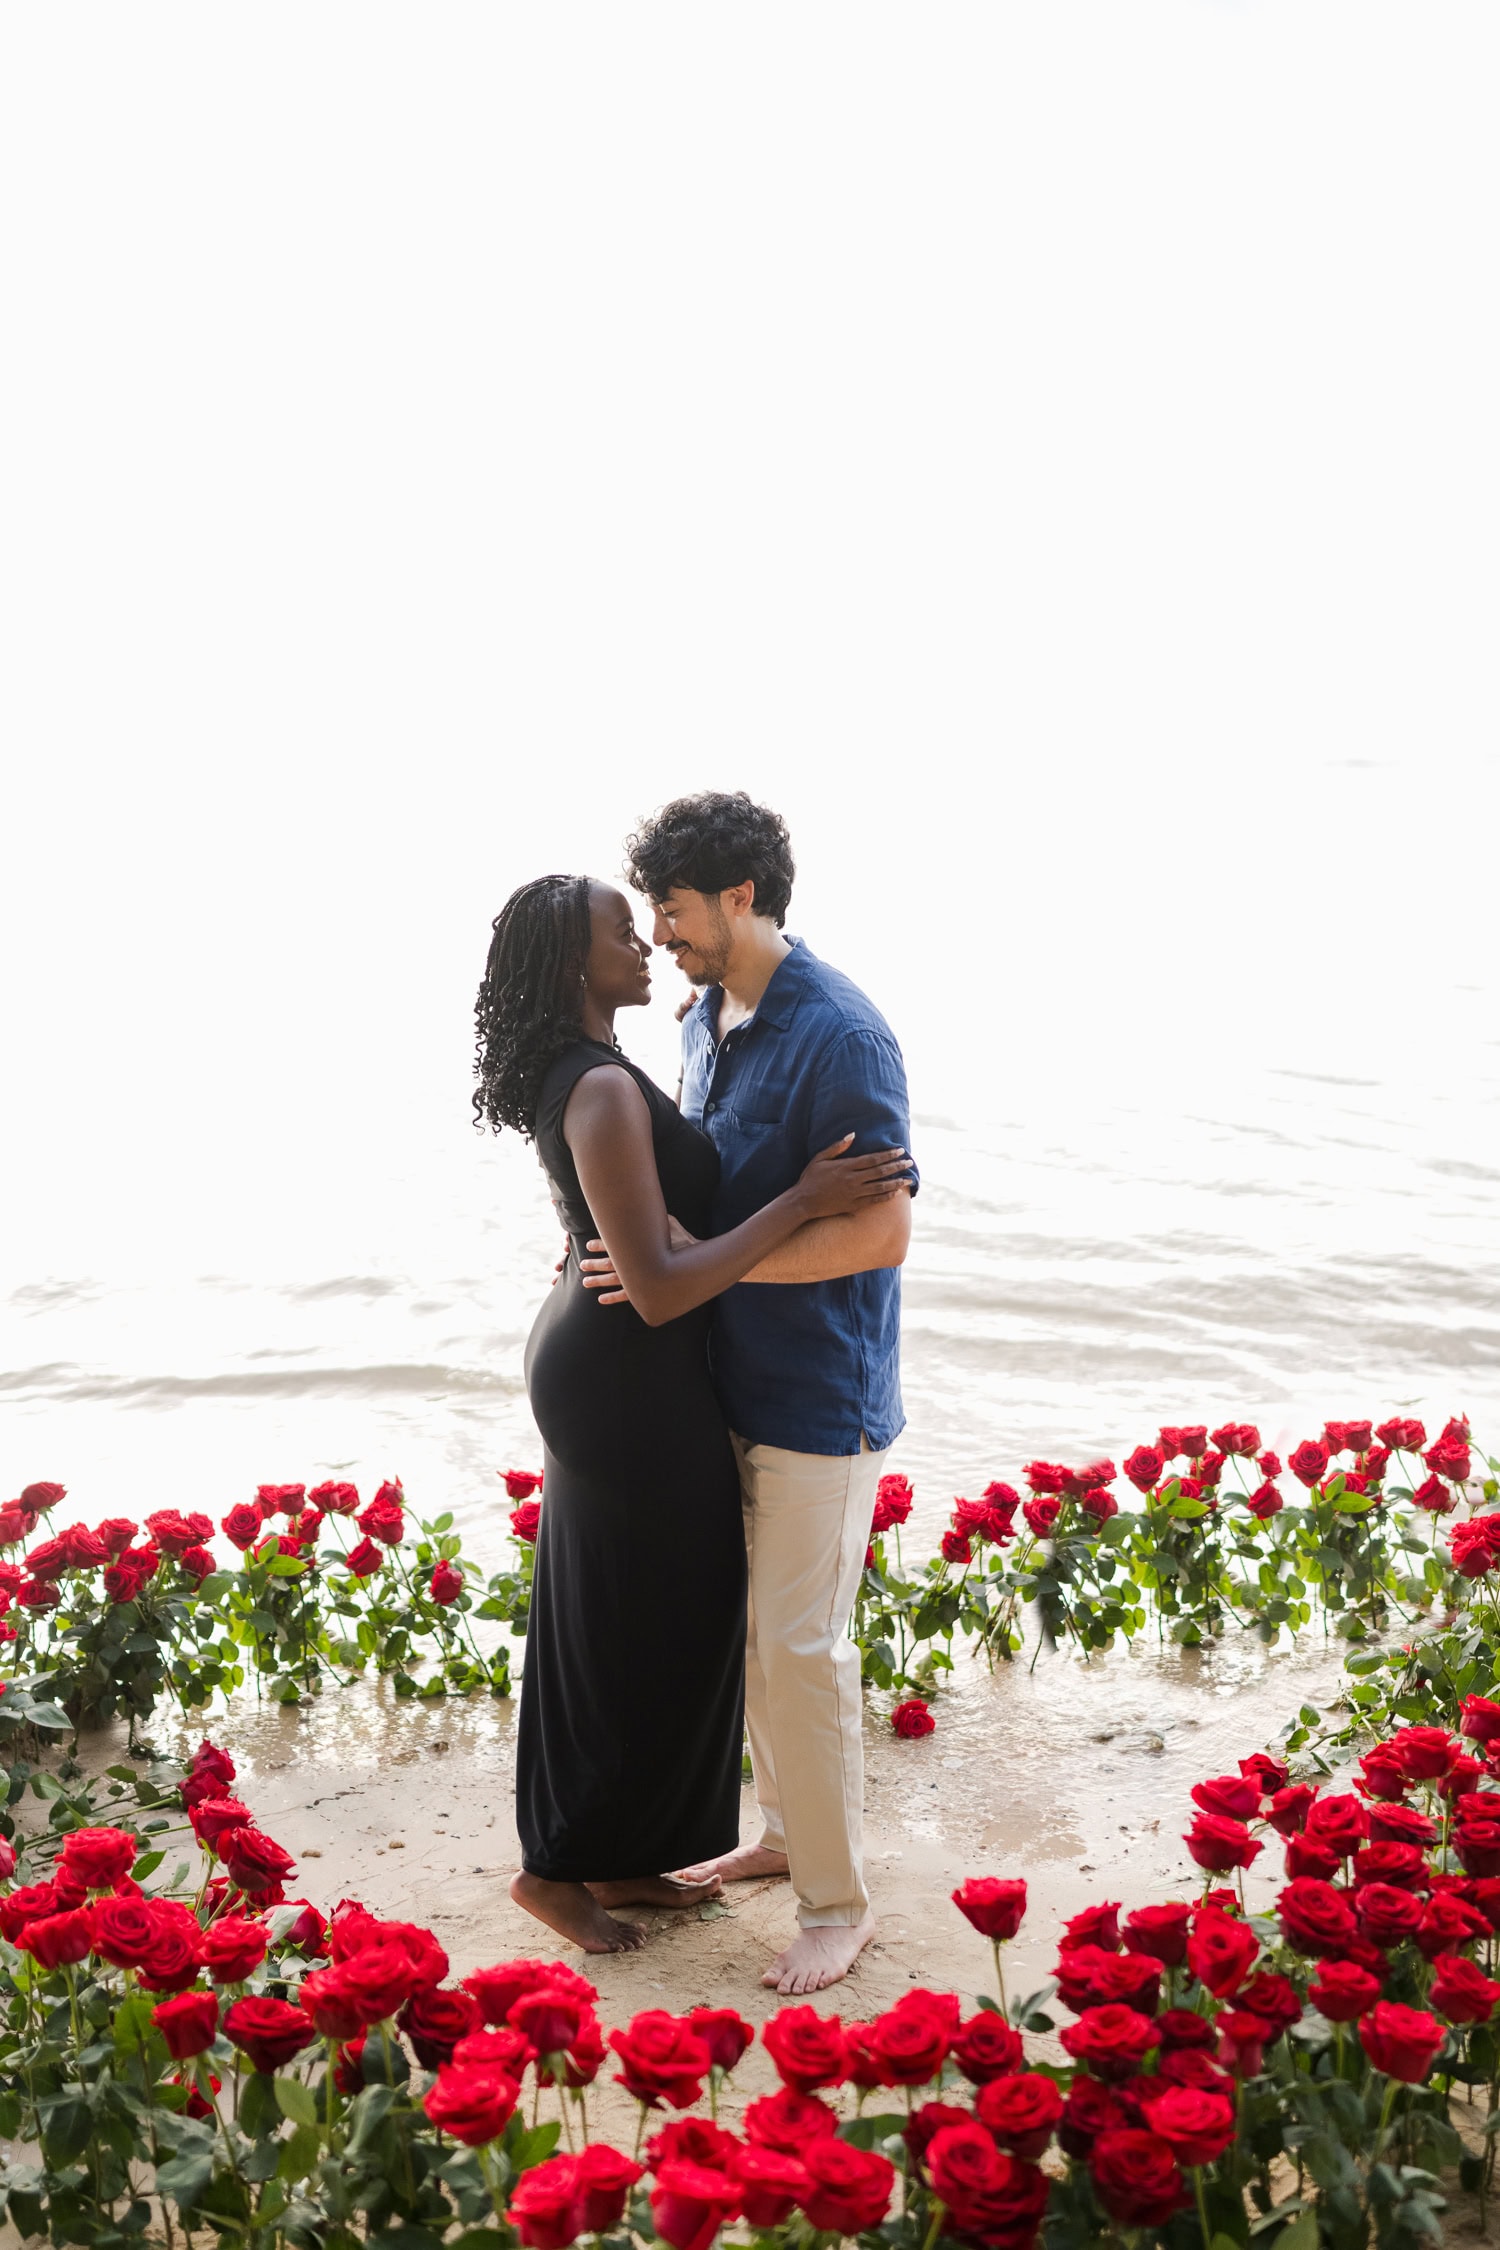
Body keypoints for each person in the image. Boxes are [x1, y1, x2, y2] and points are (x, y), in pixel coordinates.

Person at [471, 872, 912, 1955]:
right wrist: (802, 1202)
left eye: (657, 919)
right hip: (626, 1373)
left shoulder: (608, 1070)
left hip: (622, 1365)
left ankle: (621, 1855)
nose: (647, 943)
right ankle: (555, 1867)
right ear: (577, 966)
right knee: (615, 1628)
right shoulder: (603, 1088)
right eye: (625, 929)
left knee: (648, 1620)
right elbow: (662, 1281)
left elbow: (634, 1237)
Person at [584, 793, 917, 1994]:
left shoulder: (843, 1036)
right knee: (762, 1644)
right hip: (722, 1378)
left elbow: (881, 1234)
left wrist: (690, 1270)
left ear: (738, 899)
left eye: (672, 915)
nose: (660, 937)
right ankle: (784, 1838)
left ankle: (838, 1904)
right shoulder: (708, 1016)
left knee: (799, 1647)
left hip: (819, 1392)